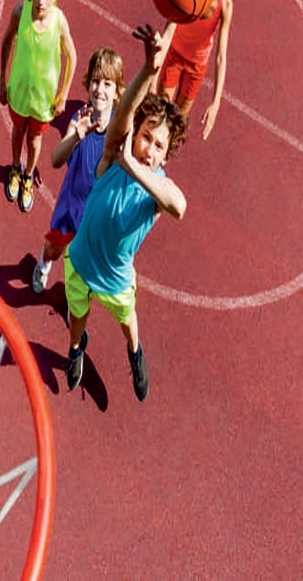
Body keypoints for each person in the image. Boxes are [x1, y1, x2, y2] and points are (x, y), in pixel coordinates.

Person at [63, 24, 188, 402]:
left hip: (116, 279)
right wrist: (149, 68)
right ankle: (75, 349)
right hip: (80, 261)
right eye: (146, 137)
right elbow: (127, 109)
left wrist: (134, 167)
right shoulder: (111, 156)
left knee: (127, 321)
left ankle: (134, 352)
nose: (150, 148)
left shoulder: (156, 190)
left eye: (159, 146)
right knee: (76, 318)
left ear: (166, 155)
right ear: (135, 133)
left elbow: (179, 206)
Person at [30, 47, 125, 295]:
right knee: (54, 248)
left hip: (96, 214)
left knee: (84, 266)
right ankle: (43, 264)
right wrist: (75, 136)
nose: (100, 89)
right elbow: (55, 160)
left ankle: (75, 300)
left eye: (107, 84)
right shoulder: (80, 118)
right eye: (96, 81)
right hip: (71, 206)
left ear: (117, 92)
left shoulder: (120, 132)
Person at [0, 0, 78, 213]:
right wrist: (2, 81)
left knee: (34, 140)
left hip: (43, 101)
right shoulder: (19, 12)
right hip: (19, 93)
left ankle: (28, 175)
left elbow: (72, 56)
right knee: (17, 132)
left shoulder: (59, 22)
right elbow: (6, 42)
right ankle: (15, 167)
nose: (41, 0)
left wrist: (63, 94)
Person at [155, 0, 233, 141]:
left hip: (196, 66)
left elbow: (221, 56)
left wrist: (216, 103)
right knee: (160, 110)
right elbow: (168, 30)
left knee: (178, 121)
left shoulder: (225, 5)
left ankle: (164, 154)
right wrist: (153, 75)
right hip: (174, 55)